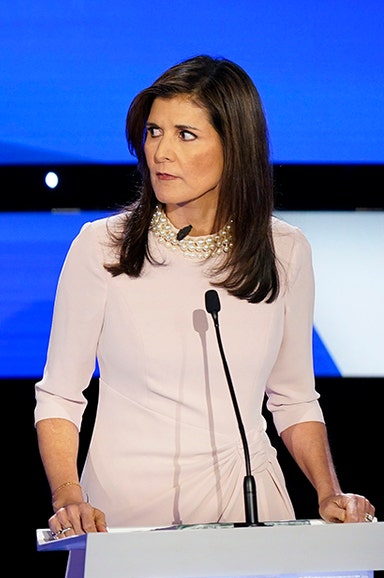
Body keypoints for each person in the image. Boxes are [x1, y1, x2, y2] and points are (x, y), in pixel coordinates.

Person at [34, 55, 373, 538]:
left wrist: (328, 493)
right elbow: (60, 395)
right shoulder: (101, 246)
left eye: (184, 135)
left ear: (234, 146)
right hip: (124, 518)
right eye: (153, 132)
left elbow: (294, 398)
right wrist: (69, 497)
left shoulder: (285, 250)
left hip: (251, 509)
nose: (160, 152)